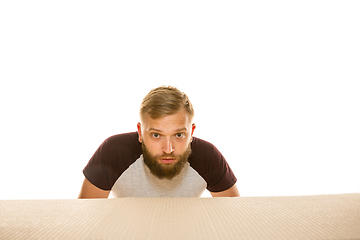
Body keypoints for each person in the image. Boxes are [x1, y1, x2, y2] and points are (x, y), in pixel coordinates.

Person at [78, 86, 240, 198]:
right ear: (140, 133)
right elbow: (86, 218)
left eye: (178, 135)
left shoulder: (208, 156)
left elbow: (233, 217)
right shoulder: (113, 152)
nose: (168, 149)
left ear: (191, 133)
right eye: (156, 135)